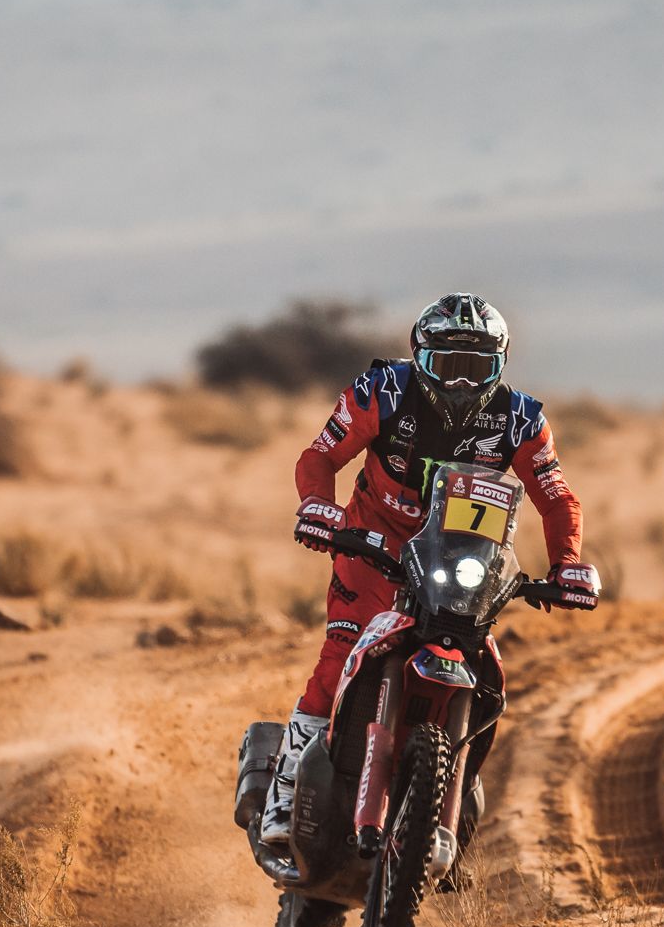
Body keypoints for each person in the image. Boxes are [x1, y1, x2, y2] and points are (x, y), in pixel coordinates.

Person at [256, 293, 597, 847]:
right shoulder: (383, 391)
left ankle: (452, 815)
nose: (461, 384)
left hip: (463, 562)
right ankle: (287, 792)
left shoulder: (522, 418)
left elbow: (557, 499)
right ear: (419, 358)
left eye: (477, 368)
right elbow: (319, 456)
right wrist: (319, 506)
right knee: (340, 652)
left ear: (501, 365)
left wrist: (567, 565)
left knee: (484, 669)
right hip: (374, 548)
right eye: (447, 365)